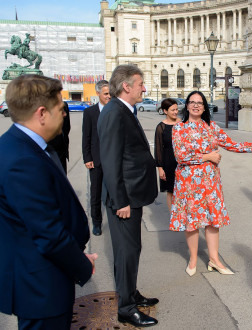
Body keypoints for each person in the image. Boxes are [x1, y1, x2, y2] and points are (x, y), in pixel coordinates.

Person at [0, 75, 97, 329]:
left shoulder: (25, 146)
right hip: (40, 285)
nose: (64, 114)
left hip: (44, 277)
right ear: (42, 113)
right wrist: (82, 263)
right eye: (60, 108)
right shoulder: (21, 159)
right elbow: (47, 232)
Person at [170, 91, 252, 277]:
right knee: (192, 222)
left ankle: (214, 259)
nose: (196, 105)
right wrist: (207, 156)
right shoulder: (179, 128)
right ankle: (193, 259)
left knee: (213, 221)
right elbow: (180, 156)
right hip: (188, 184)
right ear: (186, 106)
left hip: (210, 183)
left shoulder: (212, 127)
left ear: (204, 107)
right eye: (192, 102)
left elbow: (230, 144)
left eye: (200, 102)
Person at [97, 65, 159, 327]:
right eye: (141, 84)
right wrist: (120, 200)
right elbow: (110, 162)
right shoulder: (114, 112)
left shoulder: (123, 109)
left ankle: (130, 293)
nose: (144, 88)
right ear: (127, 86)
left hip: (133, 194)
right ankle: (125, 308)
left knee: (132, 250)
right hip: (125, 199)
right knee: (125, 253)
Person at [82, 80, 111, 236]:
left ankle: (115, 221)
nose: (109, 96)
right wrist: (87, 158)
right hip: (96, 160)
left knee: (114, 192)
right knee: (96, 193)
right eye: (106, 93)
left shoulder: (116, 110)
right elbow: (86, 137)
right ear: (98, 93)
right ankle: (97, 223)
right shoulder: (90, 113)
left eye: (110, 93)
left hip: (113, 160)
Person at [155, 98, 181, 210]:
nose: (175, 112)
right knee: (170, 191)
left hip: (182, 161)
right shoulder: (161, 127)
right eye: (172, 110)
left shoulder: (183, 124)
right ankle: (173, 218)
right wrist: (160, 168)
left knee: (183, 190)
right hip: (168, 162)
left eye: (176, 109)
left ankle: (183, 216)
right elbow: (158, 148)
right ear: (165, 111)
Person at [48, 100, 70, 173]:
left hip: (62, 151)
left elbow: (67, 126)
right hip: (48, 148)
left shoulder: (64, 105)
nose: (64, 114)